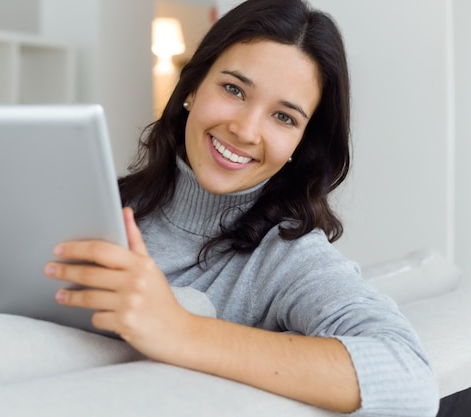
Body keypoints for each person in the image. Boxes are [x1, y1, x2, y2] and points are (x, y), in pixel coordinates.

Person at [43, 0, 440, 415]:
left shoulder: (287, 258)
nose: (245, 130)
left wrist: (183, 331)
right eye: (234, 89)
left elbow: (408, 378)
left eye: (284, 117)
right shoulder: (102, 207)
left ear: (300, 144)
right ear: (193, 88)